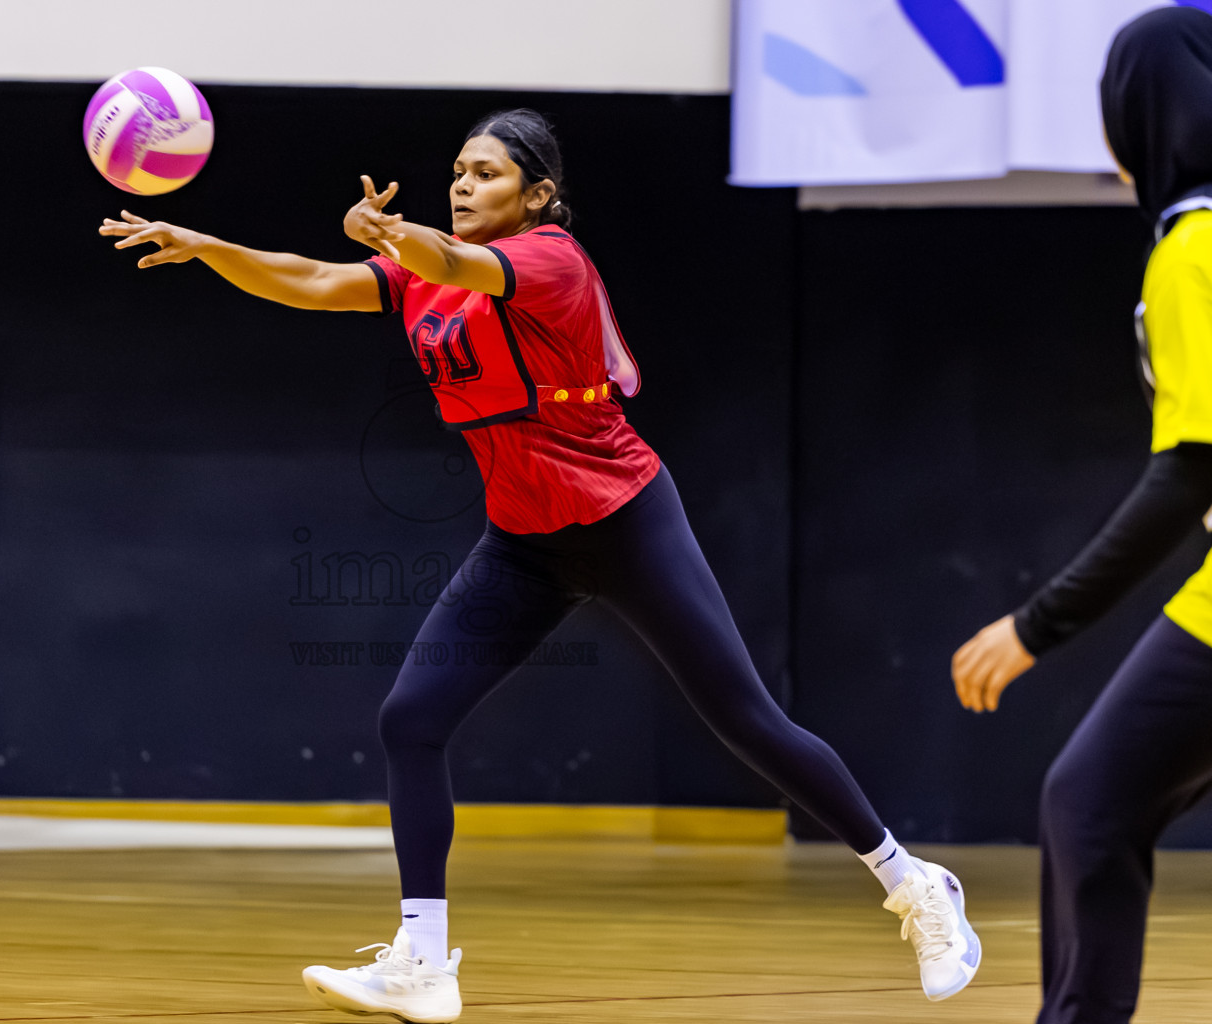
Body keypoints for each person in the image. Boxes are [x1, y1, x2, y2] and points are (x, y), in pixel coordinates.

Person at [102, 108, 978, 1023]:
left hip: (624, 519)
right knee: (411, 720)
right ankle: (423, 964)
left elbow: (448, 260)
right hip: (523, 543)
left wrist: (398, 234)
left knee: (745, 721)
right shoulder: (424, 275)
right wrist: (208, 244)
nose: (464, 183)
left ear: (539, 195)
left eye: (486, 173)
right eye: (457, 170)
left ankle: (915, 885)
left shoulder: (550, 260)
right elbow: (317, 280)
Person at [951, 9, 1212, 1023]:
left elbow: (1190, 473)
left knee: (1091, 800)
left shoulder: (1194, 243)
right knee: (1109, 799)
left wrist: (1035, 625)